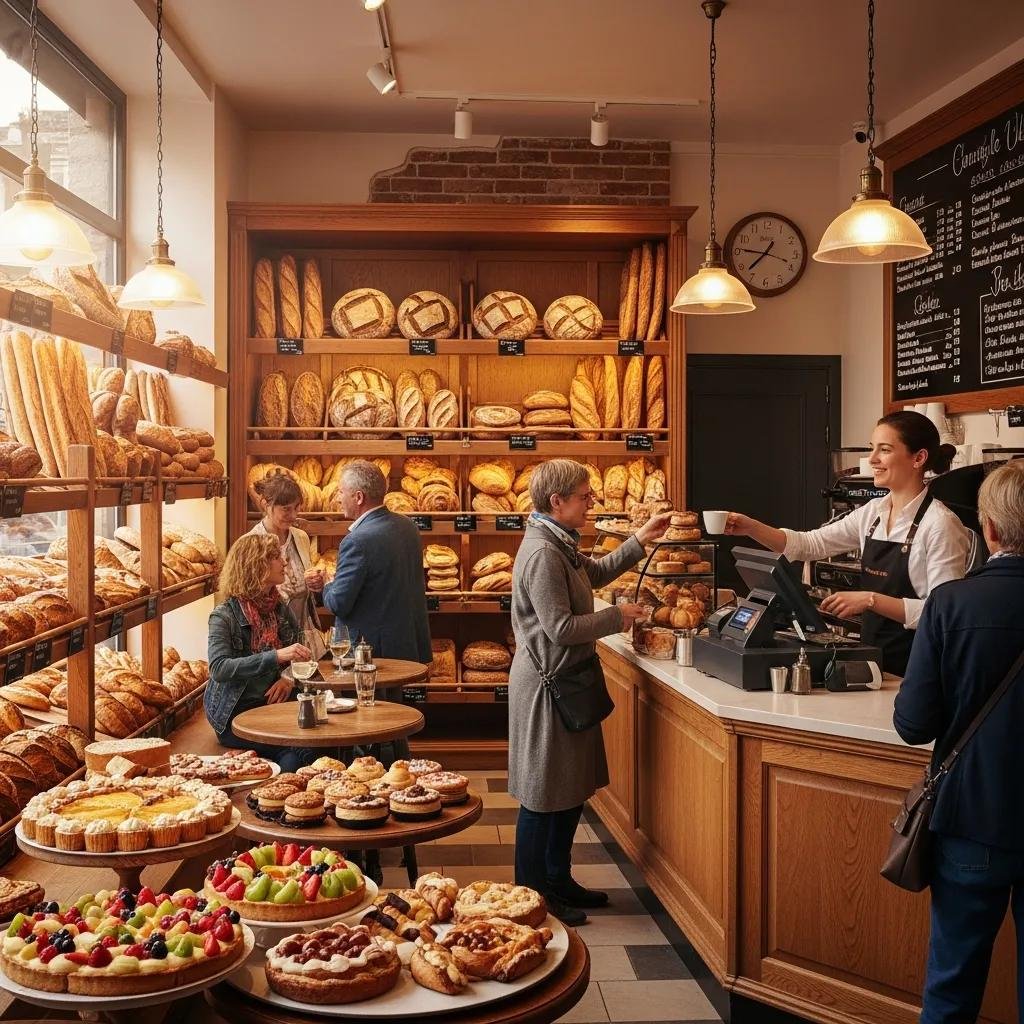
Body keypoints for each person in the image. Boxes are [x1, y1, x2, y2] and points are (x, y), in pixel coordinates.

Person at [509, 458, 671, 926]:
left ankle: (559, 879)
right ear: (556, 502)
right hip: (546, 687)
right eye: (584, 495)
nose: (592, 501)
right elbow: (559, 628)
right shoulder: (542, 553)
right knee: (542, 796)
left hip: (564, 682)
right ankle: (532, 894)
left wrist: (641, 540)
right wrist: (618, 618)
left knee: (569, 790)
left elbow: (594, 574)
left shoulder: (557, 541)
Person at [893, 460, 1024, 1023]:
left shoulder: (952, 605)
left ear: (988, 530)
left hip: (973, 820)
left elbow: (913, 724)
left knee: (953, 984)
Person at [724, 410, 971, 674]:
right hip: (876, 664)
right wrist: (749, 527)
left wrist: (870, 600)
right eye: (872, 448)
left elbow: (943, 614)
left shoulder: (940, 525)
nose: (872, 459)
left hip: (918, 667)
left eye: (884, 450)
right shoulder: (873, 512)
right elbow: (809, 544)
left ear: (918, 458)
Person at [206, 533, 318, 773]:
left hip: (274, 707)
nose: (285, 562)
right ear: (256, 565)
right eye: (276, 557)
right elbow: (219, 669)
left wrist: (287, 678)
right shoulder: (224, 616)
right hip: (237, 714)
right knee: (298, 752)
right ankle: (280, 801)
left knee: (321, 737)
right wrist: (276, 656)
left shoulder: (277, 607)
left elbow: (300, 652)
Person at [323, 460, 431, 665]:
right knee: (395, 699)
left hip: (368, 656)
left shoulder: (356, 541)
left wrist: (327, 584)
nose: (338, 498)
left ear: (358, 497)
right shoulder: (408, 527)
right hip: (406, 648)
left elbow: (339, 603)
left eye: (341, 492)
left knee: (367, 699)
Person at [249, 473, 324, 636]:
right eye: (286, 509)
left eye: (296, 507)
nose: (294, 515)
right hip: (270, 637)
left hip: (303, 634)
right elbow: (248, 598)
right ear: (266, 504)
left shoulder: (301, 537)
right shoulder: (251, 544)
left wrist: (315, 584)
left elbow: (305, 587)